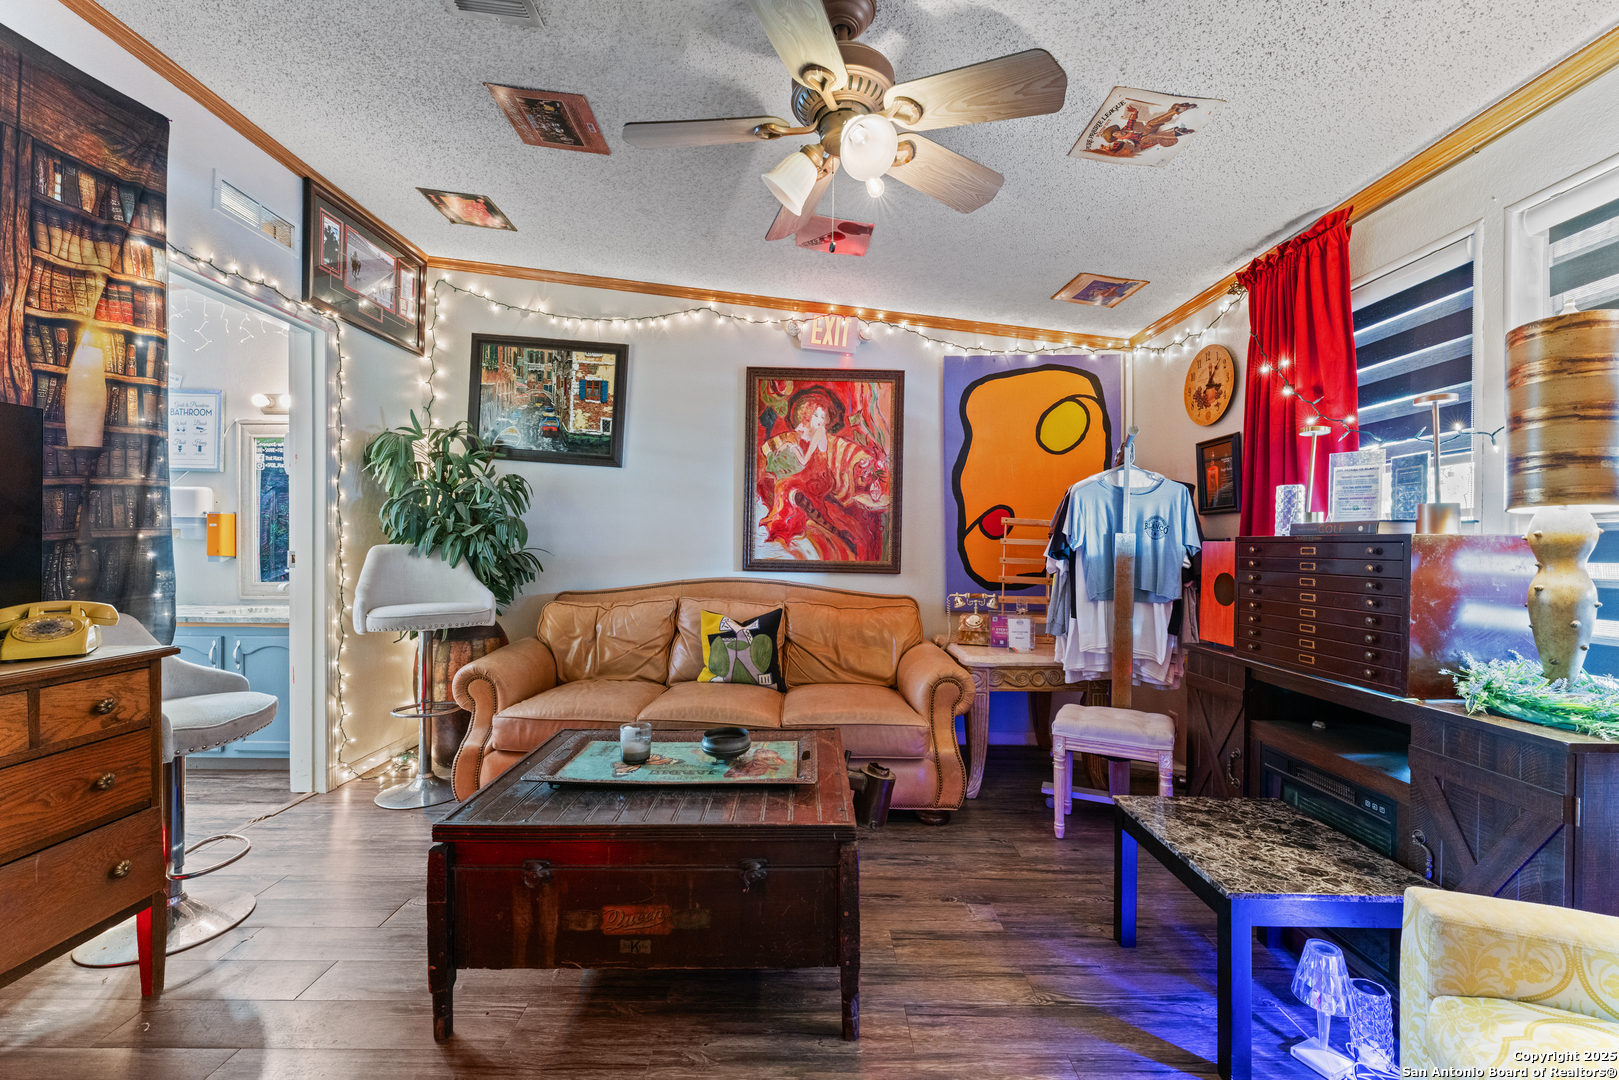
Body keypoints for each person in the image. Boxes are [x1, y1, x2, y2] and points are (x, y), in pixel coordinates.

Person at [756, 386, 890, 562]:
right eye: (816, 415)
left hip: (820, 478)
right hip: (808, 474)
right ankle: (782, 527)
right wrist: (789, 443)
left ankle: (783, 529)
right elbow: (795, 440)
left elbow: (804, 460)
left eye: (822, 416)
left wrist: (793, 447)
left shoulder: (819, 433)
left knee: (786, 486)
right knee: (783, 484)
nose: (820, 420)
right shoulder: (810, 431)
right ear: (808, 416)